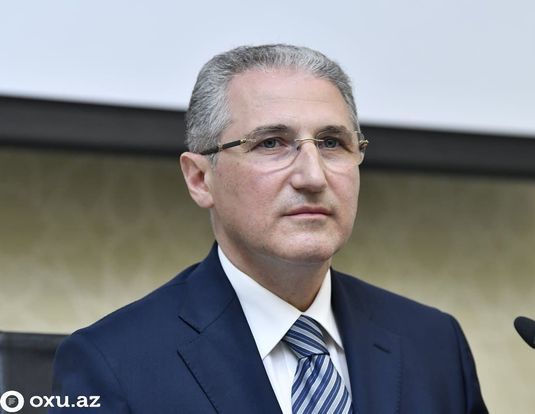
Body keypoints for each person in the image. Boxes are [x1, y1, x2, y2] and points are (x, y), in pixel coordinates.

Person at [51, 44, 488, 413]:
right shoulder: (113, 364)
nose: (313, 177)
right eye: (271, 143)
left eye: (332, 143)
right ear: (200, 179)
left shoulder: (434, 344)